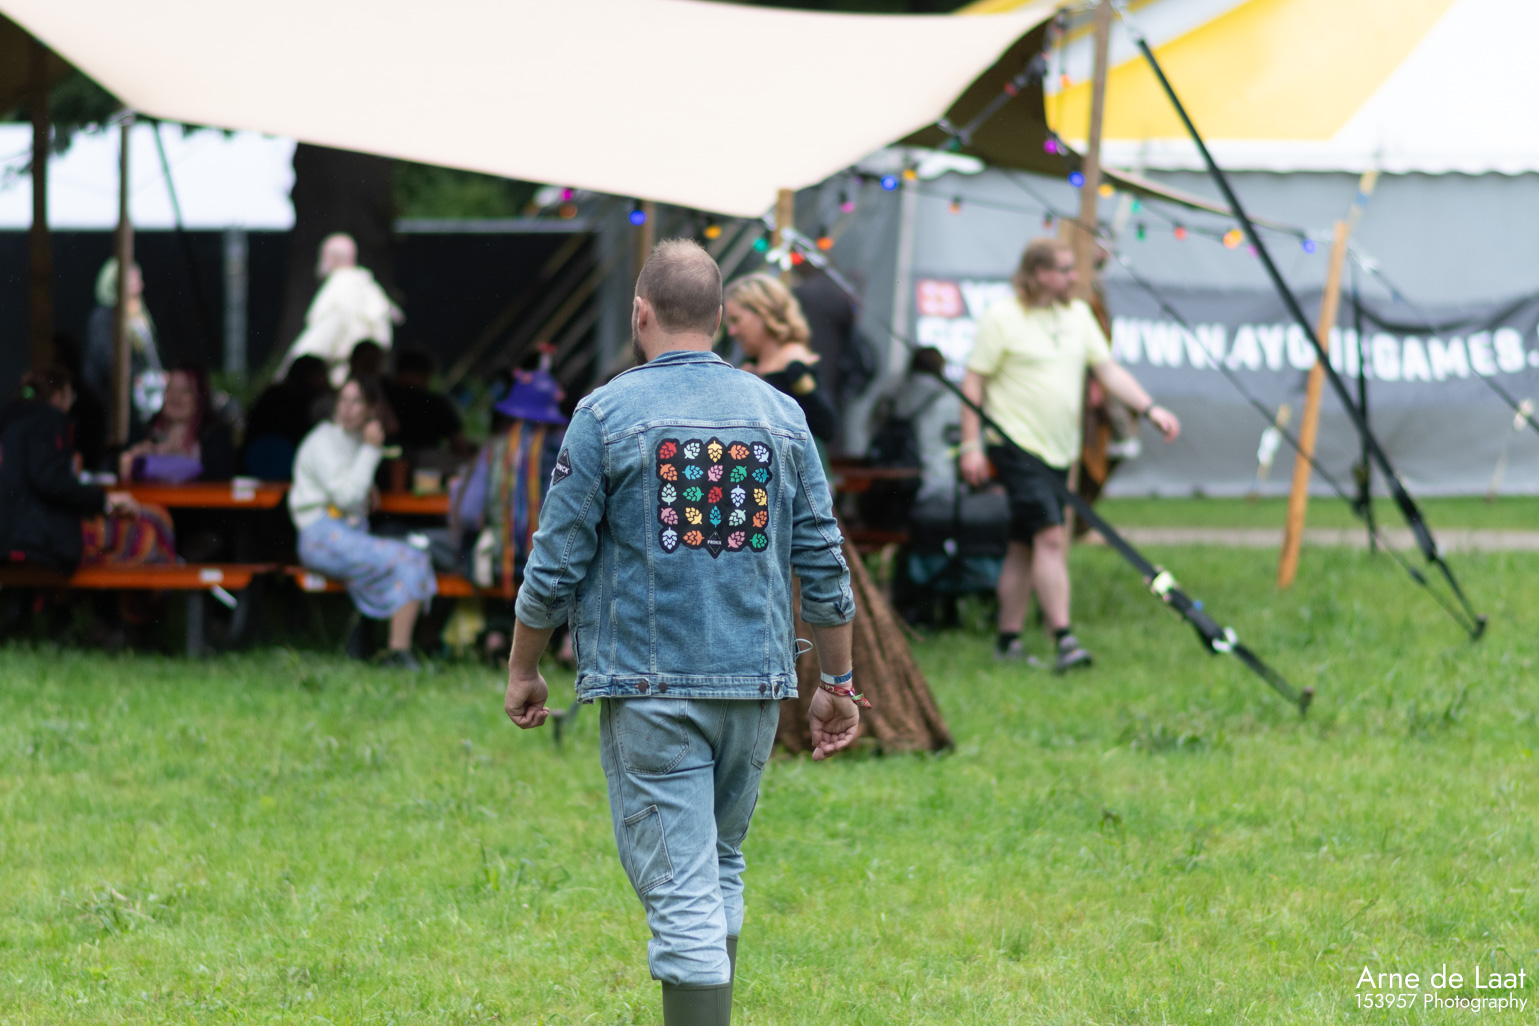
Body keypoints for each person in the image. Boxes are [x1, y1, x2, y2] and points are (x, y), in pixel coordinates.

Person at [504, 239, 860, 1026]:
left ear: (640, 314)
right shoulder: (780, 415)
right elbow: (823, 561)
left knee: (681, 893)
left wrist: (524, 667)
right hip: (754, 684)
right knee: (717, 865)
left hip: (650, 687)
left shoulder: (604, 415)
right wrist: (836, 683)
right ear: (722, 317)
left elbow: (555, 561)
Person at [959, 238, 1180, 672]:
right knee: (1050, 537)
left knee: (1024, 545)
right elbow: (973, 382)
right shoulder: (1002, 316)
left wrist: (1149, 408)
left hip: (1059, 451)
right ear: (1038, 274)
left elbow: (1107, 370)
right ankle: (1064, 639)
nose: (1074, 278)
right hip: (1015, 445)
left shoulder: (1078, 315)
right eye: (1064, 269)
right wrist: (972, 446)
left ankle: (1008, 640)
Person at [289, 376, 436, 669]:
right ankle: (398, 653)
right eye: (343, 400)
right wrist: (371, 451)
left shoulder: (354, 440)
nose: (347, 408)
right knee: (411, 558)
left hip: (347, 533)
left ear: (371, 409)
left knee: (416, 557)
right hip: (320, 536)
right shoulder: (323, 440)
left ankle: (396, 650)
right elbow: (346, 497)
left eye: (357, 402)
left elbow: (353, 492)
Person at [0, 365, 174, 572]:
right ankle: (164, 584)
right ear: (58, 397)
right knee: (149, 526)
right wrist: (102, 501)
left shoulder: (8, 419)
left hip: (12, 536)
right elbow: (50, 479)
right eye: (70, 396)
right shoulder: (49, 419)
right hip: (36, 540)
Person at [724, 273, 838, 445]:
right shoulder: (751, 363)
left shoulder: (795, 365)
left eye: (736, 320)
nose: (732, 331)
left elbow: (827, 428)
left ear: (762, 313)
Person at [278, 233, 403, 387]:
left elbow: (315, 345)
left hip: (340, 382)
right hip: (368, 382)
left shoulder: (338, 290)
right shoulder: (370, 289)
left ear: (331, 258)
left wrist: (282, 379)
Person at [83, 258, 166, 429]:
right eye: (132, 278)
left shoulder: (140, 315)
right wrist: (138, 376)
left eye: (138, 278)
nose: (139, 284)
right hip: (112, 400)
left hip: (142, 397)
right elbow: (107, 357)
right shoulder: (104, 316)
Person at [118, 366, 237, 482]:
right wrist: (133, 457)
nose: (176, 397)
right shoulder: (144, 432)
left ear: (200, 397)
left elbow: (222, 478)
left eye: (185, 391)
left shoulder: (215, 437)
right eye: (171, 388)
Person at [243, 354, 333, 479]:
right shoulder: (308, 402)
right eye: (322, 374)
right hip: (280, 465)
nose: (325, 380)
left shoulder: (273, 394)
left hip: (258, 464)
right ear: (311, 376)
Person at [383, 347, 474, 456]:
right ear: (426, 374)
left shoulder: (381, 393)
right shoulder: (436, 404)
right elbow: (460, 445)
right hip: (422, 463)